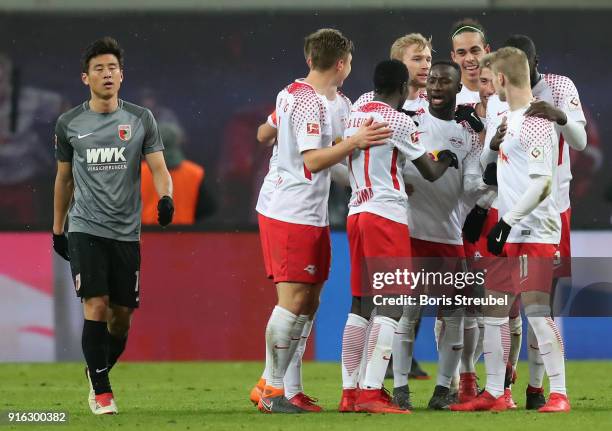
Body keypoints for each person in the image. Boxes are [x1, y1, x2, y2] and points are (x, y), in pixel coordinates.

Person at [255, 28, 391, 414]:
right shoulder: (304, 100)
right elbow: (313, 161)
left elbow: (264, 133)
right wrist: (354, 142)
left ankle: (290, 389)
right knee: (292, 299)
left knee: (310, 300)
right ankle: (271, 388)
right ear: (343, 63)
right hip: (287, 209)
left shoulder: (335, 102)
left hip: (311, 212)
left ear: (310, 58)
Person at [52, 37, 174, 415]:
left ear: (122, 75)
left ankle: (96, 370)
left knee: (121, 319)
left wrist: (166, 197)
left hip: (126, 232)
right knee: (96, 304)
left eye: (112, 68)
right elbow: (64, 180)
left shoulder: (141, 119)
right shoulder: (69, 123)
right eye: (99, 69)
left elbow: (159, 168)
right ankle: (103, 393)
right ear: (85, 78)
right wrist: (58, 228)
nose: (106, 74)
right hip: (86, 227)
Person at [451, 47, 569, 413]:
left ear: (502, 78)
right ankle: (495, 393)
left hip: (534, 229)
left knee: (535, 310)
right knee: (493, 309)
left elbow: (542, 185)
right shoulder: (510, 118)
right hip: (513, 227)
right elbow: (500, 173)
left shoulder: (534, 121)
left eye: (492, 79)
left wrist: (505, 221)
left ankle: (559, 394)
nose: (489, 87)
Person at [339, 59, 458, 414]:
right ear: (404, 87)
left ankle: (350, 392)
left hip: (356, 212)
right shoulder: (399, 120)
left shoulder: (356, 114)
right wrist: (448, 157)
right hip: (385, 215)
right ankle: (373, 392)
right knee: (392, 301)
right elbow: (431, 171)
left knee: (361, 304)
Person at [398, 61, 483, 410]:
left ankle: (442, 390)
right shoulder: (409, 120)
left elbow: (474, 184)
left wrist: (483, 196)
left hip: (448, 235)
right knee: (408, 312)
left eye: (444, 82)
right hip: (411, 231)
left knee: (453, 313)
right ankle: (400, 390)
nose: (435, 87)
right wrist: (400, 183)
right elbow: (393, 163)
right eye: (432, 80)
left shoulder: (468, 134)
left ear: (458, 87)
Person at [141, 122, 211, 224]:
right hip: (183, 236)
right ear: (178, 143)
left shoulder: (139, 172)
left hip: (149, 235)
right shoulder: (195, 173)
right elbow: (208, 208)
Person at [450, 18, 491, 105]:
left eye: (475, 51)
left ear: (487, 51)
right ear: (454, 57)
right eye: (461, 53)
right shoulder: (447, 100)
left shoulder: (505, 94)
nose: (469, 58)